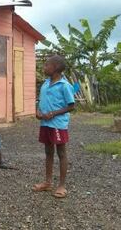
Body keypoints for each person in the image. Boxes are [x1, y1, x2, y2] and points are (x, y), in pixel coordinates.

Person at [33, 55, 75, 198]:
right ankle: (48, 182)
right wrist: (38, 111)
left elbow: (71, 106)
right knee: (48, 151)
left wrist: (54, 113)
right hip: (45, 123)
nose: (44, 68)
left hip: (57, 124)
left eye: (46, 65)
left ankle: (62, 185)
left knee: (61, 153)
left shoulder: (64, 85)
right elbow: (41, 100)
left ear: (55, 68)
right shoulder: (45, 83)